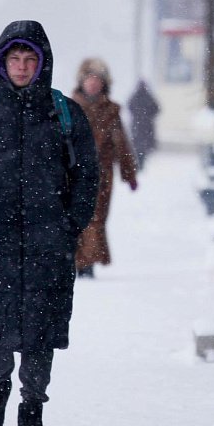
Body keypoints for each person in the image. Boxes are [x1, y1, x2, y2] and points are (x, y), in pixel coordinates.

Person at [0, 20, 99, 426]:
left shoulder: (64, 112)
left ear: (42, 63)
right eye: (14, 58)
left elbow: (87, 173)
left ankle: (32, 408)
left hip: (47, 241)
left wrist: (70, 222)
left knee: (40, 331)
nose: (21, 66)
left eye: (30, 58)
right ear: (1, 62)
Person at [70, 58, 138, 279]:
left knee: (96, 217)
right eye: (89, 79)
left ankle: (87, 262)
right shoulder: (68, 108)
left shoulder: (111, 111)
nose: (93, 83)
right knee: (74, 216)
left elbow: (121, 143)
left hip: (101, 175)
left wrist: (129, 174)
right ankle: (77, 260)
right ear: (82, 81)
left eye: (98, 79)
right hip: (73, 174)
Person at [127, 80, 160, 170]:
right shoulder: (148, 97)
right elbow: (156, 108)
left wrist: (138, 115)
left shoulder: (136, 97)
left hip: (139, 125)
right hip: (145, 125)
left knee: (138, 146)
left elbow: (130, 106)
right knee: (142, 146)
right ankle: (140, 163)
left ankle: (139, 162)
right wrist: (147, 116)